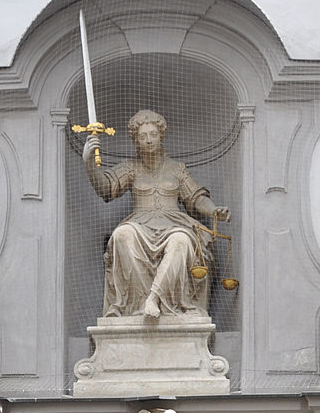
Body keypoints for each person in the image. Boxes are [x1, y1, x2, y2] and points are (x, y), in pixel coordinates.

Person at [82, 109, 230, 320]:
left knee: (181, 240)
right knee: (122, 235)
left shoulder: (177, 169)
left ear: (161, 136)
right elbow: (105, 188)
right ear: (136, 141)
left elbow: (195, 198)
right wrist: (89, 164)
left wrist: (214, 210)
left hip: (174, 223)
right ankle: (140, 304)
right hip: (140, 224)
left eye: (153, 134)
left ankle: (153, 298)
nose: (149, 140)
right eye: (143, 136)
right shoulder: (130, 168)